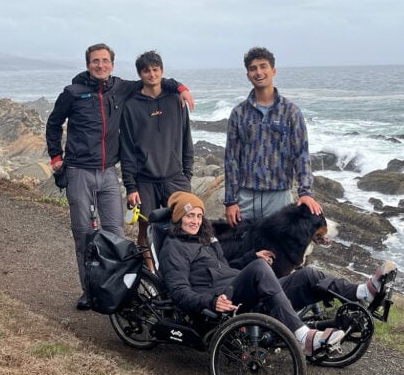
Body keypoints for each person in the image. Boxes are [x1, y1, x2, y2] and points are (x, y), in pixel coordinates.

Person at [46, 43, 194, 310]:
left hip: (108, 173)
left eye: (105, 61)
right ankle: (90, 292)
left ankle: (117, 292)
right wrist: (56, 158)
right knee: (83, 235)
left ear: (112, 64)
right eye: (95, 61)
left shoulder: (122, 87)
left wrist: (181, 88)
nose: (100, 65)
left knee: (115, 234)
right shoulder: (72, 93)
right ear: (88, 64)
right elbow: (54, 123)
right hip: (79, 170)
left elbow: (155, 80)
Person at [159, 191, 397, 356]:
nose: (196, 221)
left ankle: (364, 292)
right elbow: (179, 292)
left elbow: (225, 265)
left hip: (233, 285)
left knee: (308, 275)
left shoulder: (207, 239)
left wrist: (252, 257)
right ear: (179, 218)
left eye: (199, 216)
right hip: (219, 298)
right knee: (261, 270)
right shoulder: (174, 248)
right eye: (190, 216)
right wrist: (211, 301)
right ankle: (304, 338)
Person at [224, 46, 319, 227]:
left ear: (273, 70)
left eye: (263, 66)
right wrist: (230, 201)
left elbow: (301, 154)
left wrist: (305, 192)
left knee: (278, 251)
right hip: (245, 197)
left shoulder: (291, 112)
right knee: (242, 250)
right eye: (253, 68)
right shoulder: (239, 113)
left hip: (279, 196)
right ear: (248, 75)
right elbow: (231, 159)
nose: (258, 72)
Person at [119, 50, 193, 254]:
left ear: (162, 70)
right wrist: (130, 186)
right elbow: (127, 148)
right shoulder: (131, 106)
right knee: (146, 230)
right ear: (140, 74)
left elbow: (187, 139)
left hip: (175, 178)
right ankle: (150, 275)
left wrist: (187, 174)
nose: (152, 74)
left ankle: (179, 270)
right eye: (146, 71)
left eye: (155, 69)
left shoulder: (176, 99)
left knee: (184, 227)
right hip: (145, 180)